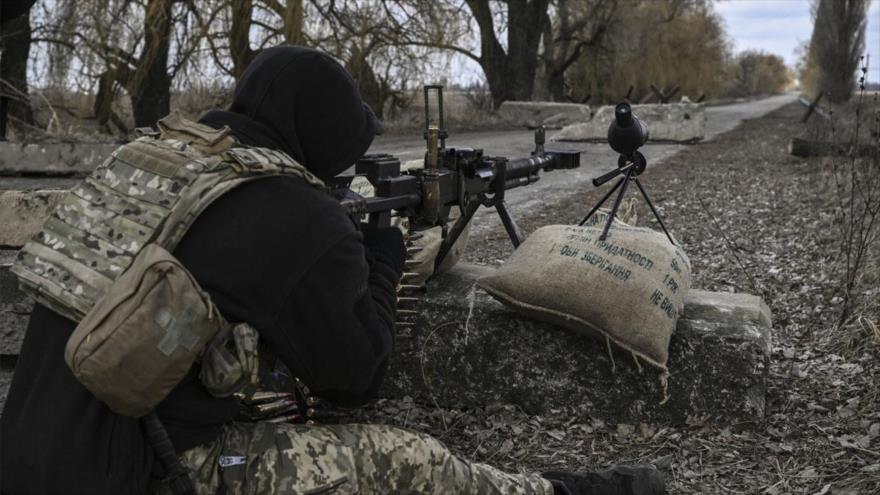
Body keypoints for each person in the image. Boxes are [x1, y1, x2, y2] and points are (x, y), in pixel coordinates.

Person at [0, 46, 664, 495]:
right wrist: (381, 259)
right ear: (326, 139)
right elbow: (358, 376)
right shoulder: (296, 213)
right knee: (413, 460)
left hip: (29, 447)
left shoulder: (151, 162)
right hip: (143, 477)